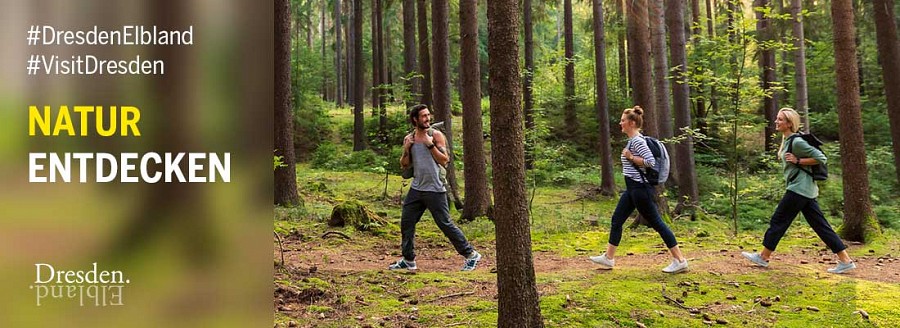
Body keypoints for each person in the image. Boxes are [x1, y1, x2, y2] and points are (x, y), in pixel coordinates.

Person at [742, 108, 856, 274]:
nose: (776, 122)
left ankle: (764, 257)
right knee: (821, 226)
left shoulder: (797, 142)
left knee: (779, 220)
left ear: (789, 123)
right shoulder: (788, 140)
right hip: (805, 190)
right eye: (777, 118)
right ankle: (845, 260)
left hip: (799, 189)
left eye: (780, 119)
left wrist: (798, 160)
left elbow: (821, 158)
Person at [590, 106, 689, 273]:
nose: (620, 123)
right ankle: (608, 258)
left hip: (640, 189)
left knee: (657, 223)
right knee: (617, 220)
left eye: (623, 120)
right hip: (632, 189)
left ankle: (680, 260)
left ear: (632, 123)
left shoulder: (637, 141)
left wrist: (631, 157)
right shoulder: (633, 140)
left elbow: (650, 161)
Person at [389, 104, 482, 272]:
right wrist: (407, 148)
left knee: (445, 223)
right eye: (424, 116)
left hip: (436, 189)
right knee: (406, 222)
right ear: (415, 119)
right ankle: (408, 260)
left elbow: (445, 160)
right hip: (417, 188)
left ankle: (471, 255)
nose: (428, 119)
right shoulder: (408, 138)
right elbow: (404, 164)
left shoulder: (436, 135)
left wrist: (429, 144)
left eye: (428, 115)